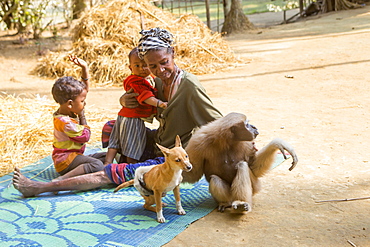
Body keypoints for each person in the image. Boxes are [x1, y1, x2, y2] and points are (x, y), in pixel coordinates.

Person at [12, 28, 222, 197]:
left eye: (164, 63)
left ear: (173, 54)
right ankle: (88, 166)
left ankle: (42, 188)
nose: (159, 70)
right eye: (152, 66)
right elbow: (146, 113)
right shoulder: (157, 81)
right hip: (158, 142)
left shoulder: (189, 86)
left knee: (111, 172)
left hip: (170, 158)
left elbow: (218, 124)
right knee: (111, 129)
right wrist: (124, 100)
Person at [104, 47, 167, 165]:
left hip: (125, 115)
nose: (142, 69)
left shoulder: (148, 79)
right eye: (137, 66)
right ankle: (130, 166)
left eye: (145, 65)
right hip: (133, 117)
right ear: (130, 67)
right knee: (133, 144)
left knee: (115, 140)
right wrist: (159, 103)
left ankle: (107, 162)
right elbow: (145, 96)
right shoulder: (137, 81)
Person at [50, 55, 106, 182]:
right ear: (70, 104)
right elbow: (85, 136)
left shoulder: (66, 111)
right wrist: (82, 115)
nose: (84, 103)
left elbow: (84, 90)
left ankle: (84, 169)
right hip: (65, 162)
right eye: (82, 101)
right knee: (97, 165)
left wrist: (84, 68)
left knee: (107, 156)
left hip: (75, 156)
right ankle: (62, 179)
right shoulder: (65, 122)